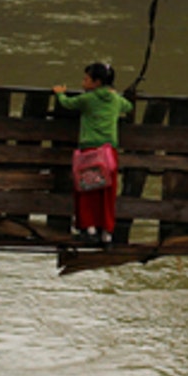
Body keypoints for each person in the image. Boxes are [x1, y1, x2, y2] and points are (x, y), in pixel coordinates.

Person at [52, 61, 133, 246]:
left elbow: (68, 104)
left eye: (86, 79)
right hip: (109, 153)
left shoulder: (88, 99)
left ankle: (89, 229)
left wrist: (59, 94)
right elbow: (128, 107)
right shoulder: (115, 100)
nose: (83, 82)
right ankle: (107, 233)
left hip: (90, 152)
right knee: (107, 194)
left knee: (86, 191)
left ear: (96, 82)